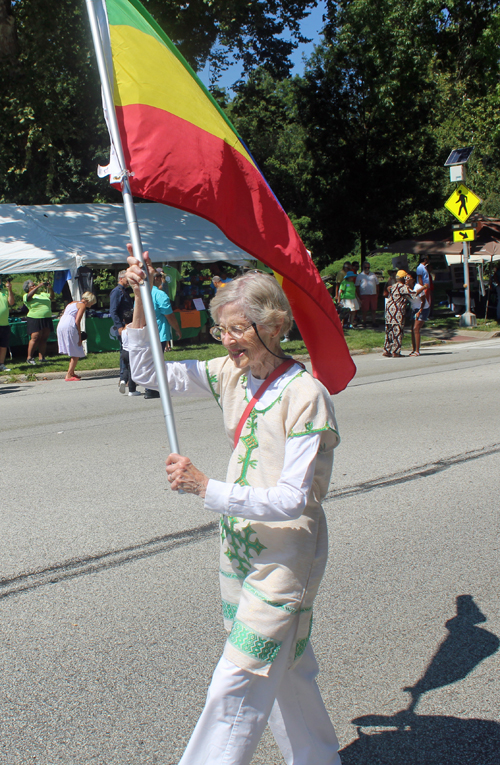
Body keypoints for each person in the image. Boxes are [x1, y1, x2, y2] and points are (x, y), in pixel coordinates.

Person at [124, 251, 342, 765]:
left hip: (286, 554)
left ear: (275, 325)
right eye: (223, 330)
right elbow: (145, 372)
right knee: (287, 665)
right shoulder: (229, 372)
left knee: (240, 674)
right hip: (239, 547)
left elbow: (293, 498)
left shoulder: (305, 394)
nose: (228, 341)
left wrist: (206, 488)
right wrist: (138, 298)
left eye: (239, 329)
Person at [144, 269, 182, 399]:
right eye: (162, 278)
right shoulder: (160, 295)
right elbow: (169, 315)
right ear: (156, 279)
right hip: (158, 332)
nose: (164, 281)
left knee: (150, 360)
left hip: (146, 332)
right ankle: (152, 388)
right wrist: (177, 328)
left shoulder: (143, 293)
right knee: (157, 361)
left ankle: (150, 386)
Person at [56, 291, 96, 380]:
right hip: (70, 325)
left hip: (61, 324)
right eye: (91, 303)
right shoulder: (82, 305)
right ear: (89, 300)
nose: (90, 305)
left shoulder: (72, 303)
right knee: (76, 350)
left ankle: (72, 372)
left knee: (73, 349)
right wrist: (79, 335)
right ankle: (69, 374)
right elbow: (77, 321)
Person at [110, 270, 137, 395]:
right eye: (127, 278)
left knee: (128, 352)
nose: (129, 281)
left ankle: (128, 378)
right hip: (122, 326)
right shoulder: (116, 292)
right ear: (121, 278)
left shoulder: (125, 291)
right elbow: (113, 311)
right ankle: (123, 378)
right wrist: (119, 326)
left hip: (128, 324)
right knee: (124, 352)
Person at [383, 270, 415, 357]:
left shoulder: (393, 286)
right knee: (397, 330)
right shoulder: (403, 287)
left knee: (389, 330)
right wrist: (423, 287)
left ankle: (387, 350)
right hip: (397, 310)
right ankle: (396, 351)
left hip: (389, 309)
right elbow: (414, 295)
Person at [23, 278, 55, 364]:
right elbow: (29, 297)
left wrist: (50, 288)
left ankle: (42, 357)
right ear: (28, 288)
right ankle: (29, 357)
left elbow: (52, 296)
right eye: (32, 285)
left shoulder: (43, 294)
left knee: (44, 338)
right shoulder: (26, 295)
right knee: (35, 337)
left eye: (34, 285)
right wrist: (38, 286)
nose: (34, 286)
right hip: (35, 318)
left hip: (46, 318)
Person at [406, 271, 428, 357]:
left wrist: (420, 311)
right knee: (412, 329)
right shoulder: (406, 288)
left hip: (423, 308)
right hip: (414, 309)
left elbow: (424, 300)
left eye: (408, 278)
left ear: (413, 280)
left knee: (416, 328)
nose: (406, 280)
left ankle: (417, 351)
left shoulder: (417, 286)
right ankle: (414, 349)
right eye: (405, 278)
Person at [355, 261, 379, 326]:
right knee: (364, 309)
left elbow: (377, 284)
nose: (367, 269)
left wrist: (377, 293)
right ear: (363, 267)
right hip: (364, 294)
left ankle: (374, 321)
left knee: (374, 309)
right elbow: (357, 286)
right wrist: (359, 295)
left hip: (373, 294)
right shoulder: (360, 276)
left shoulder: (373, 275)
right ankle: (364, 321)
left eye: (368, 267)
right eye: (366, 267)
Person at [0, 275, 15, 372]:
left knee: (3, 345)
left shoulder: (5, 292)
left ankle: (1, 364)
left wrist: (9, 290)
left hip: (4, 323)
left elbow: (11, 302)